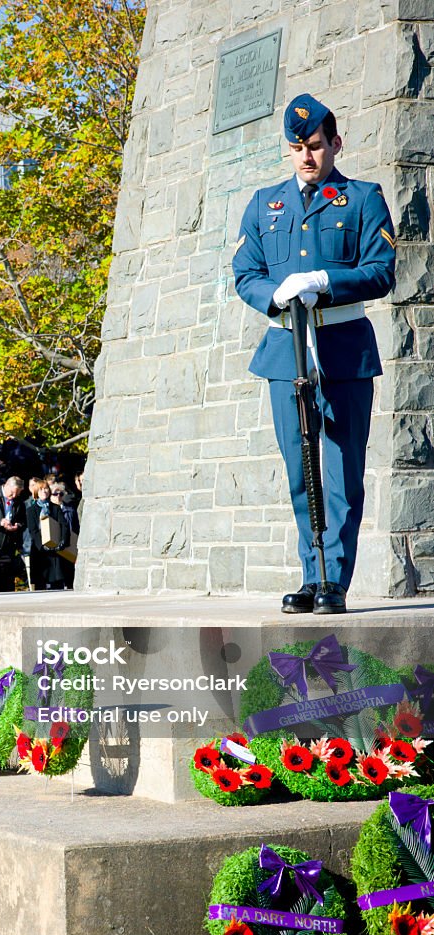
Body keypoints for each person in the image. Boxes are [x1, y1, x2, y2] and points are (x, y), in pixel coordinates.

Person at [233, 94, 396, 615]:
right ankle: (311, 575)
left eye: (317, 146)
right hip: (286, 351)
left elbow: (381, 270)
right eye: (298, 148)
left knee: (342, 472)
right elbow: (245, 273)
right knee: (300, 470)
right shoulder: (265, 204)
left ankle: (336, 580)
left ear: (335, 144)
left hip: (343, 351)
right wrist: (271, 295)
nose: (308, 156)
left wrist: (326, 280)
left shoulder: (364, 199)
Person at [26, 480, 69, 590]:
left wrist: (62, 542)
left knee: (57, 582)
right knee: (40, 582)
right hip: (39, 549)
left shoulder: (55, 508)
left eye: (46, 488)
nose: (44, 491)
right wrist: (41, 545)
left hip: (55, 548)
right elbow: (33, 530)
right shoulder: (31, 510)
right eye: (41, 489)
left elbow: (64, 525)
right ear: (36, 492)